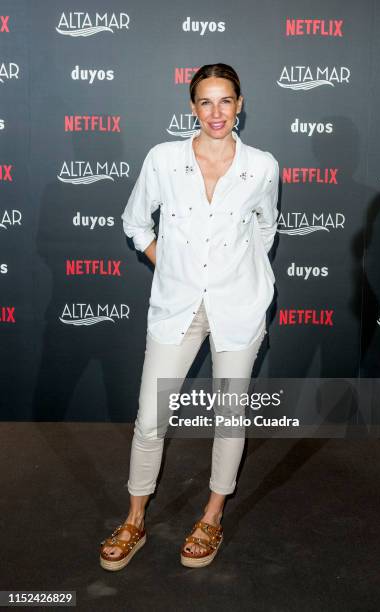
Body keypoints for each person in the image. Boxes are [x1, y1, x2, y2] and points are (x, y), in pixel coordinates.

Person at [99, 63, 280, 570]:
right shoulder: (163, 159)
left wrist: (244, 278)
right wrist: (173, 267)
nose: (216, 113)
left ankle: (212, 516)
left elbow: (265, 231)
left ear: (240, 105)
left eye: (226, 101)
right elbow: (135, 223)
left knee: (229, 418)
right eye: (205, 102)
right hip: (177, 306)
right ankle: (134, 519)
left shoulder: (263, 166)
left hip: (238, 307)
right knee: (150, 419)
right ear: (192, 107)